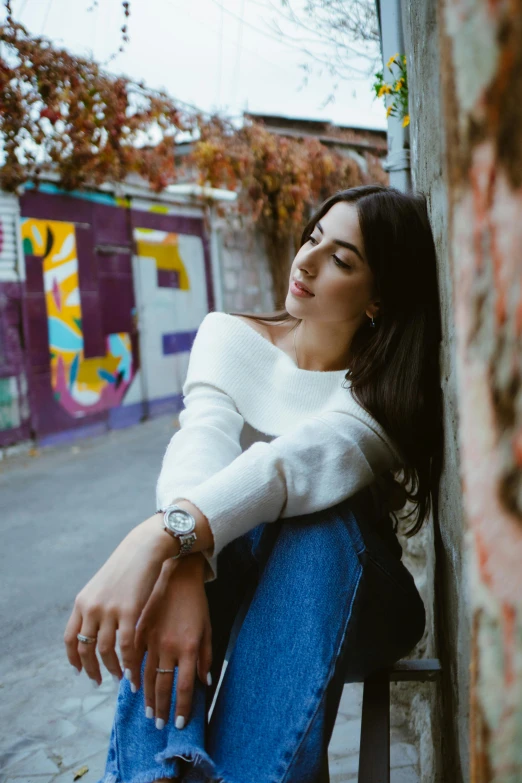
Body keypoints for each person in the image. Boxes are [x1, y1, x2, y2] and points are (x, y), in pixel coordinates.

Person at [64, 184, 443, 783]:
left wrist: (155, 539)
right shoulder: (229, 335)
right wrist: (183, 565)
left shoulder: (382, 395)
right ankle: (157, 775)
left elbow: (284, 470)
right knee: (210, 532)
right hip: (253, 584)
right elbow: (202, 442)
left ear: (378, 299)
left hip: (362, 600)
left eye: (342, 260)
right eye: (314, 238)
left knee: (316, 518)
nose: (308, 261)